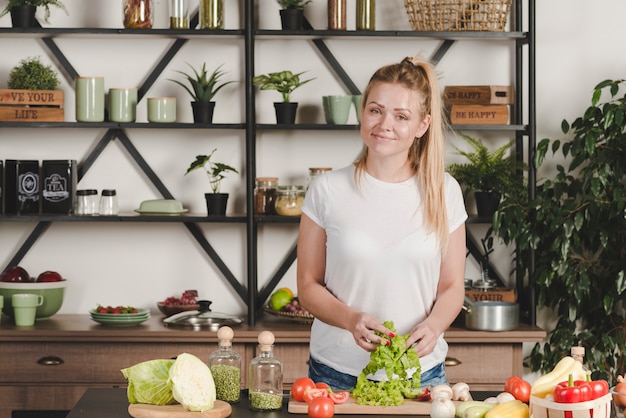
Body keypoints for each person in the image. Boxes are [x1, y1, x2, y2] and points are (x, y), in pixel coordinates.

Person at [296, 55, 467, 390]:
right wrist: (350, 319)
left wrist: (433, 327)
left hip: (421, 375)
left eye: (401, 116)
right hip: (335, 374)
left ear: (422, 125)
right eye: (375, 110)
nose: (384, 123)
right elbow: (307, 286)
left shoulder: (444, 191)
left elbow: (452, 287)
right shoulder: (327, 189)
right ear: (363, 113)